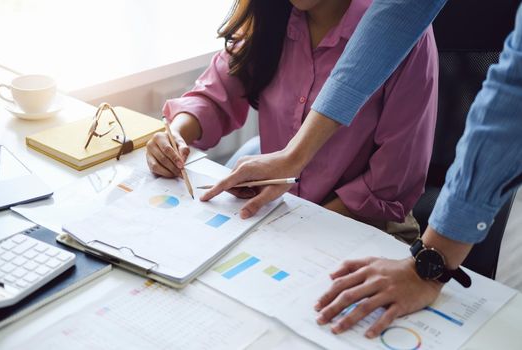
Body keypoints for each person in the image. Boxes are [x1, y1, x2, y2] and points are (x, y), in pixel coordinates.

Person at [202, 0, 522, 339]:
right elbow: (389, 28)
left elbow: (510, 102)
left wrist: (433, 263)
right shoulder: (281, 22)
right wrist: (294, 156)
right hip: (298, 221)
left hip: (368, 220)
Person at [146, 0, 438, 241]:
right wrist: (175, 134)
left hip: (365, 223)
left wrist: (294, 225)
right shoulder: (272, 14)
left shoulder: (402, 34)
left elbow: (391, 183)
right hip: (275, 212)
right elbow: (214, 94)